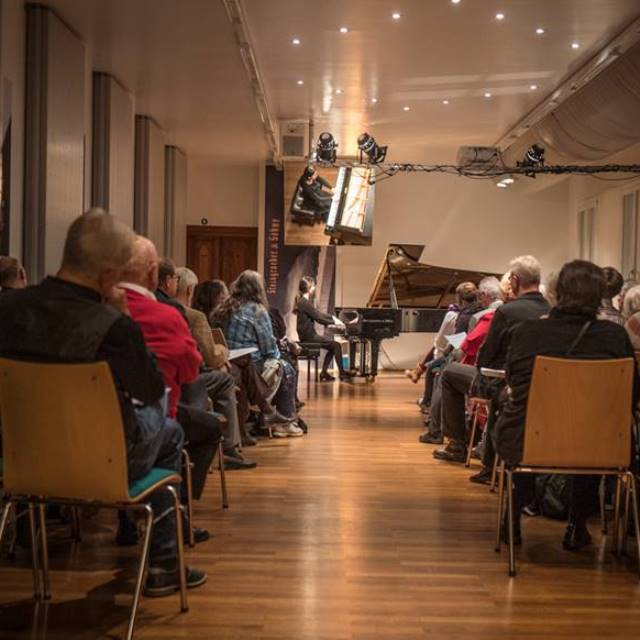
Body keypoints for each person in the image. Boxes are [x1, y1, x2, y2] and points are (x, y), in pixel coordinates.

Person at [0, 210, 207, 596]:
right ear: (111, 273)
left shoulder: (7, 310)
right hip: (101, 465)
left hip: (18, 463)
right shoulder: (112, 326)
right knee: (171, 427)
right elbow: (149, 391)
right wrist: (123, 313)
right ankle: (163, 565)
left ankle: (28, 532)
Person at [495, 260, 638, 549]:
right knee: (587, 430)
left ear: (557, 293)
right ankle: (577, 524)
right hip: (603, 446)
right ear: (601, 294)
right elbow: (631, 395)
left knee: (516, 413)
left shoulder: (528, 333)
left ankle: (513, 517)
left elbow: (512, 380)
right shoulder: (615, 337)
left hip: (530, 441)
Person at [175, 267, 290, 443]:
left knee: (244, 366)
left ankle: (250, 426)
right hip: (202, 372)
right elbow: (267, 349)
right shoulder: (195, 317)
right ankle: (269, 418)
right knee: (283, 367)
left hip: (212, 365)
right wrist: (223, 353)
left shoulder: (223, 308)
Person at [215, 270, 304, 437]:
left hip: (228, 361)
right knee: (287, 369)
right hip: (250, 365)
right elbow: (269, 348)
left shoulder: (225, 306)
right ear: (258, 289)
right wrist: (280, 356)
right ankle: (285, 422)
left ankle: (272, 417)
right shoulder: (257, 311)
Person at [294, 275, 349, 381]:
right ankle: (341, 374)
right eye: (313, 286)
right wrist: (334, 320)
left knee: (333, 346)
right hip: (309, 337)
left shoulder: (303, 302)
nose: (315, 288)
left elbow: (317, 314)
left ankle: (324, 373)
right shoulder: (304, 303)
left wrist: (332, 319)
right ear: (309, 288)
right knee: (336, 345)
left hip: (308, 335)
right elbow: (318, 317)